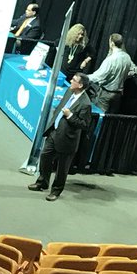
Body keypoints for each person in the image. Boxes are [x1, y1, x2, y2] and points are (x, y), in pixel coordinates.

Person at [28, 73, 94, 201]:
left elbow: (84, 124)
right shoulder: (69, 92)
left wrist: (70, 116)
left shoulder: (86, 104)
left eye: (73, 80)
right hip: (55, 132)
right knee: (45, 156)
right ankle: (42, 182)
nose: (70, 80)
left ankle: (56, 191)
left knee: (62, 168)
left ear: (80, 85)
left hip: (67, 139)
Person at [88, 33, 137, 113]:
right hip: (118, 95)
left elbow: (99, 76)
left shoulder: (111, 59)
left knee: (100, 117)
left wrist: (85, 78)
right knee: (111, 120)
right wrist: (123, 75)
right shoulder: (127, 57)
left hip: (105, 94)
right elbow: (135, 71)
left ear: (112, 43)